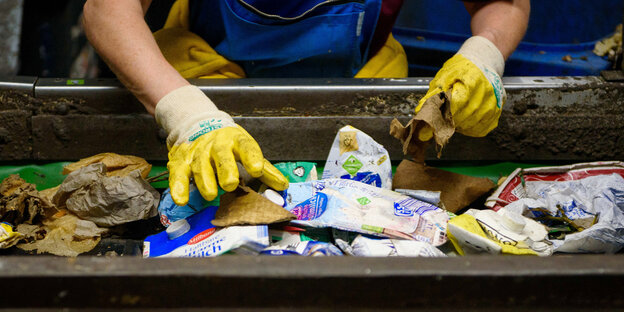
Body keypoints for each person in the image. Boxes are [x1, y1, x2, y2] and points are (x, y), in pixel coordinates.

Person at [82, 0, 530, 206]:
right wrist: (184, 113)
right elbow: (107, 9)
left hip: (361, 83)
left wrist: (484, 52)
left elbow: (502, 3)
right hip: (206, 82)